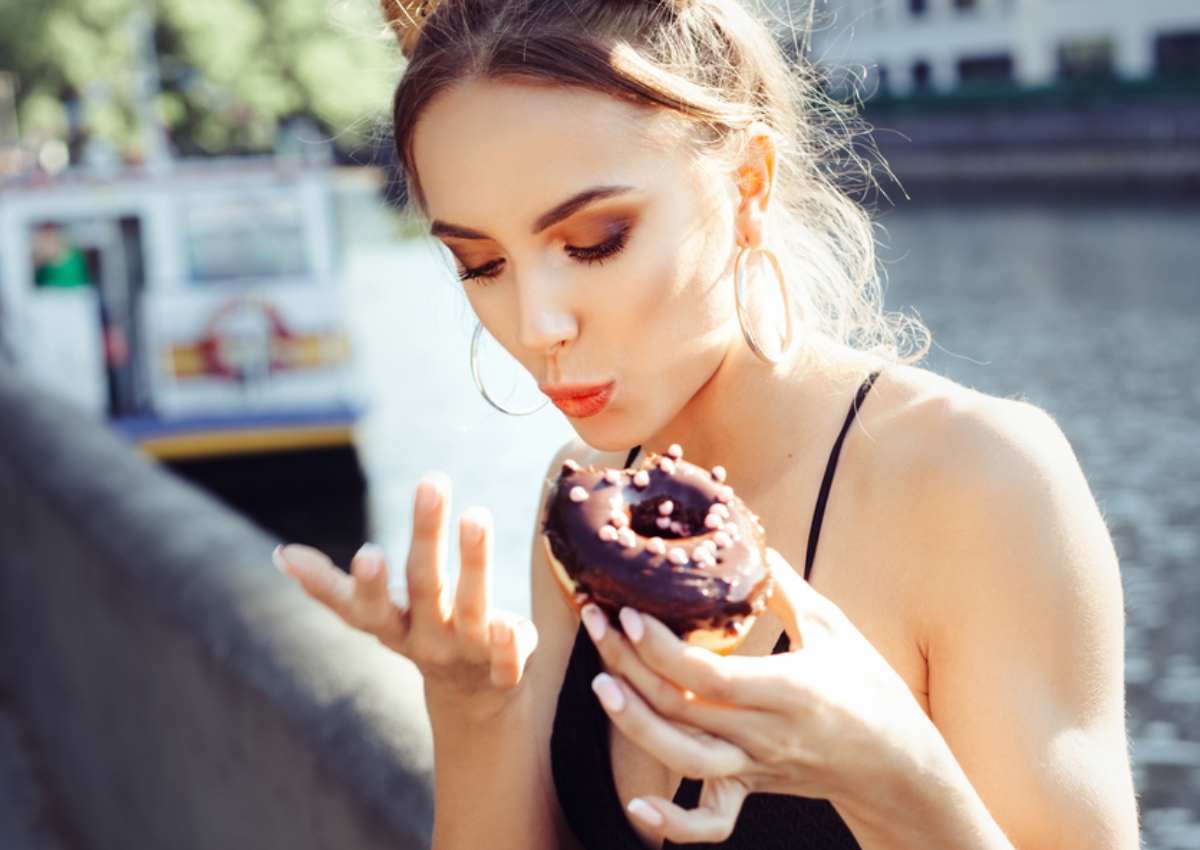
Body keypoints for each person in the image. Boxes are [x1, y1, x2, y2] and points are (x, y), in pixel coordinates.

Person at [274, 0, 1140, 847]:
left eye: (596, 241)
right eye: (482, 263)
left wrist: (895, 778)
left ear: (747, 187)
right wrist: (473, 705)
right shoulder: (585, 502)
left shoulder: (977, 479)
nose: (536, 325)